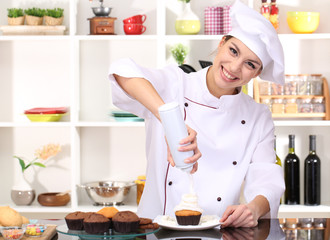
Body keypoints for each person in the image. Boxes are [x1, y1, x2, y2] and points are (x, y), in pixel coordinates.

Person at [108, 0, 285, 228]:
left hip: (218, 230)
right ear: (221, 43)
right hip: (154, 228)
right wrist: (173, 122)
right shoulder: (175, 84)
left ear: (257, 73)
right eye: (233, 51)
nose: (234, 67)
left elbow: (266, 180)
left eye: (249, 64)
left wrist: (253, 208)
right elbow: (122, 70)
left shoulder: (258, 116)